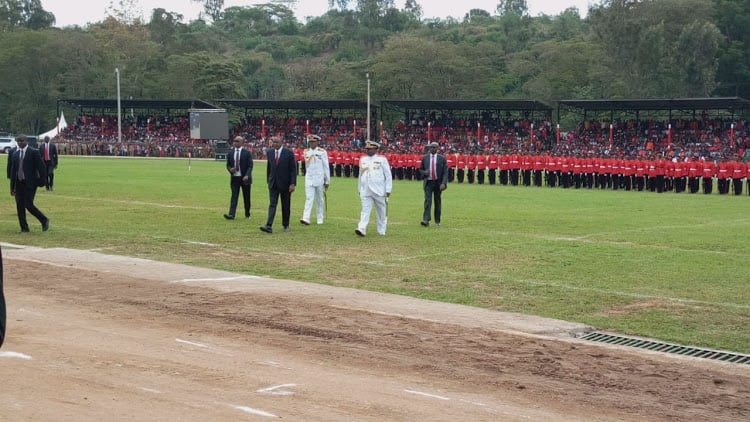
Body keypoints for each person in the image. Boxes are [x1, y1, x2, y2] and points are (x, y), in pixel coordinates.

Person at [9, 135, 49, 233]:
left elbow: (42, 168)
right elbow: (13, 172)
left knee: (28, 204)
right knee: (19, 206)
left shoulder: (33, 152)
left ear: (27, 141)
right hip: (19, 183)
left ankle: (44, 219)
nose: (20, 143)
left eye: (22, 141)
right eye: (18, 141)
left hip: (30, 183)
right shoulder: (15, 154)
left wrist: (42, 181)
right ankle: (24, 228)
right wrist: (12, 187)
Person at [260, 136, 297, 234]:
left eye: (276, 142)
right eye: (273, 142)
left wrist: (293, 183)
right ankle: (268, 225)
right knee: (272, 204)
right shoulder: (270, 153)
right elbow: (269, 168)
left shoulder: (288, 153)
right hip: (273, 184)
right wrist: (269, 180)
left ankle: (285, 224)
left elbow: (293, 169)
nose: (274, 144)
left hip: (285, 184)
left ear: (281, 143)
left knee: (285, 205)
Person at [355, 140, 392, 237]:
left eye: (370, 149)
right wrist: (359, 188)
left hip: (378, 189)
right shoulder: (363, 159)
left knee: (381, 211)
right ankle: (361, 228)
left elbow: (388, 175)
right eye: (367, 149)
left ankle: (381, 230)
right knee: (365, 209)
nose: (368, 151)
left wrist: (388, 189)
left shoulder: (382, 159)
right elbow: (360, 175)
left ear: (376, 149)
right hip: (366, 189)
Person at [300, 135, 330, 225]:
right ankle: (306, 218)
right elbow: (306, 166)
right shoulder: (306, 152)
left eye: (313, 142)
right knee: (309, 198)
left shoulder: (322, 152)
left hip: (319, 179)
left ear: (317, 142)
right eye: (310, 142)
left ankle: (320, 218)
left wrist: (327, 181)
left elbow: (326, 167)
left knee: (319, 199)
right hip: (309, 178)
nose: (312, 143)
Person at [224, 136, 253, 220]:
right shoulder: (230, 153)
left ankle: (247, 214)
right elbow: (228, 165)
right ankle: (231, 214)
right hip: (235, 178)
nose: (235, 142)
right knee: (234, 196)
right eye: (234, 141)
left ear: (242, 143)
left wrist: (247, 175)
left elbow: (250, 166)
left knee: (246, 197)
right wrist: (230, 169)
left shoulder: (247, 153)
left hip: (245, 179)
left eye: (237, 141)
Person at [419, 142, 448, 227]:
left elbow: (445, 172)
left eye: (435, 147)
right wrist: (424, 172)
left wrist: (443, 183)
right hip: (428, 182)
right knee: (428, 201)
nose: (433, 149)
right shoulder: (425, 158)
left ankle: (437, 220)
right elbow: (420, 169)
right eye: (431, 147)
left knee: (437, 201)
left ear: (437, 148)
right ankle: (426, 220)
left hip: (438, 183)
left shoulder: (442, 158)